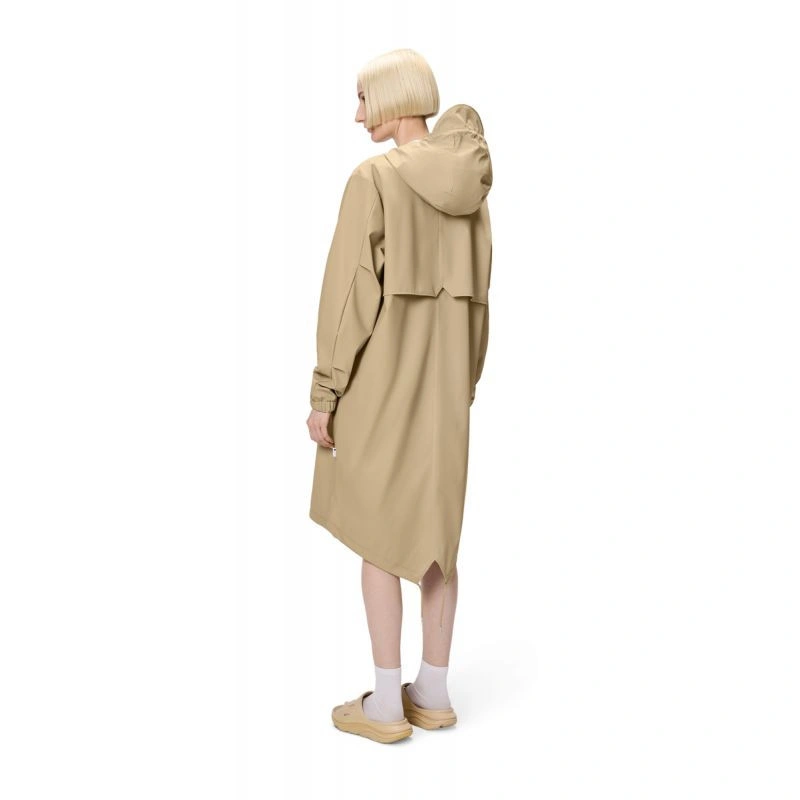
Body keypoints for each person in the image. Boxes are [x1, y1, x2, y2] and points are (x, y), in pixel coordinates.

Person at [306, 48, 493, 744]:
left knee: (378, 535)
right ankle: (433, 693)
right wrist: (464, 384)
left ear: (393, 96)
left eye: (364, 99)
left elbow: (348, 297)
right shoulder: (474, 191)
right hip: (448, 393)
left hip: (380, 386)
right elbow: (482, 302)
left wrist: (325, 391)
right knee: (438, 539)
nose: (358, 115)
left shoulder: (374, 179)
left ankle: (386, 706)